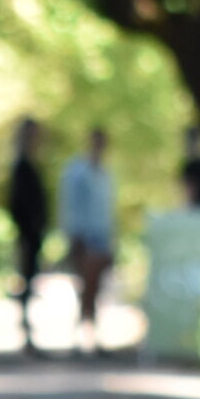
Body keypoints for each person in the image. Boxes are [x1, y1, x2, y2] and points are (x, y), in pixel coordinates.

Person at [58, 126, 116, 354]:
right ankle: (79, 338)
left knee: (97, 288)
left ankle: (92, 337)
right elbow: (70, 205)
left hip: (101, 236)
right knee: (84, 286)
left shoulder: (105, 174)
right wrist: (73, 235)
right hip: (83, 236)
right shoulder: (77, 172)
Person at [4, 117, 50, 354]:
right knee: (27, 280)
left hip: (33, 233)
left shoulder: (29, 165)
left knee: (31, 280)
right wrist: (28, 227)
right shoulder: (22, 166)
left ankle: (28, 333)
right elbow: (17, 204)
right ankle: (26, 334)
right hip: (28, 233)